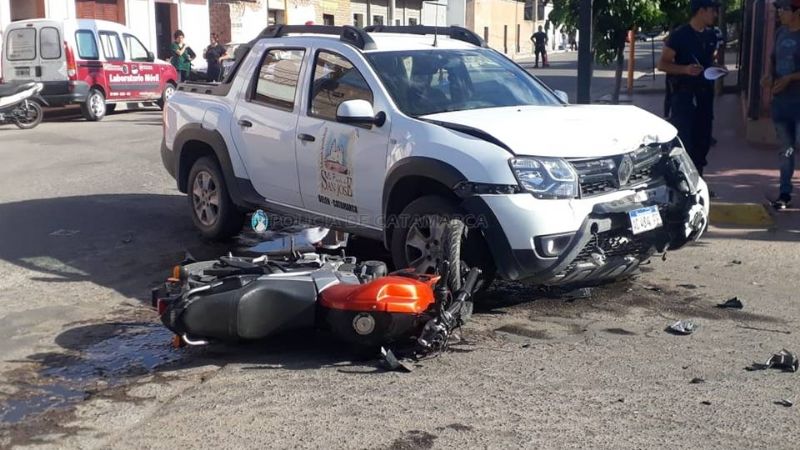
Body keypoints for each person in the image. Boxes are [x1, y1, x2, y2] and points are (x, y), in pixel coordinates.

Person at [656, 0, 720, 177]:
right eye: (713, 10)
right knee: (685, 141)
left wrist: (717, 69)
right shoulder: (679, 36)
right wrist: (685, 69)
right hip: (683, 96)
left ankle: (699, 180)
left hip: (705, 95)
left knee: (703, 140)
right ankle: (682, 181)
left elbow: (711, 59)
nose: (715, 14)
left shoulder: (711, 35)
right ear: (701, 11)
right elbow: (662, 64)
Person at [763, 0, 800, 210]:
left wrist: (790, 78)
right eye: (778, 8)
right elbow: (772, 61)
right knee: (785, 151)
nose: (780, 12)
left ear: (797, 12)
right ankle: (784, 194)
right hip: (781, 103)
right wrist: (769, 77)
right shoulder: (780, 33)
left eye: (784, 8)